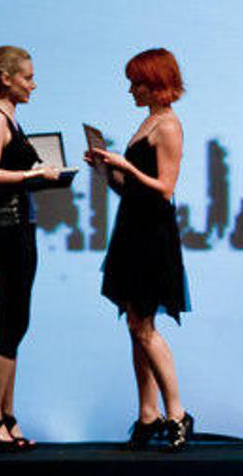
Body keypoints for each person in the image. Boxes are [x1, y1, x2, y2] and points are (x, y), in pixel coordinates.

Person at [86, 48, 193, 451]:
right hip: (132, 228)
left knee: (145, 328)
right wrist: (106, 170)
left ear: (156, 84)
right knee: (135, 327)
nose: (131, 90)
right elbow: (130, 190)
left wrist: (126, 166)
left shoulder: (169, 125)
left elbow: (165, 188)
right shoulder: (148, 121)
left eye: (137, 83)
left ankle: (177, 414)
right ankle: (148, 415)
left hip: (152, 234)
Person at [0, 45, 59, 451]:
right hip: (4, 232)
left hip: (20, 230)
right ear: (6, 79)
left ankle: (5, 413)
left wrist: (44, 174)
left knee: (16, 322)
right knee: (10, 322)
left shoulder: (12, 121)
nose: (33, 85)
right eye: (27, 78)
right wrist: (31, 176)